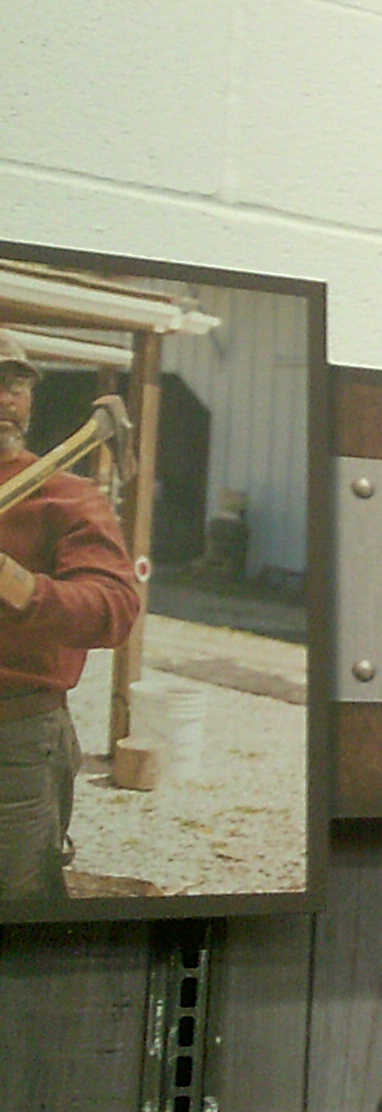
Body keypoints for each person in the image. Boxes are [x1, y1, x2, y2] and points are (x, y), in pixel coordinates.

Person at [0, 331, 141, 901]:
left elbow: (115, 608)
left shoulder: (67, 497)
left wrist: (19, 586)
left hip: (13, 742)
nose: (4, 399)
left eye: (15, 385)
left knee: (14, 904)